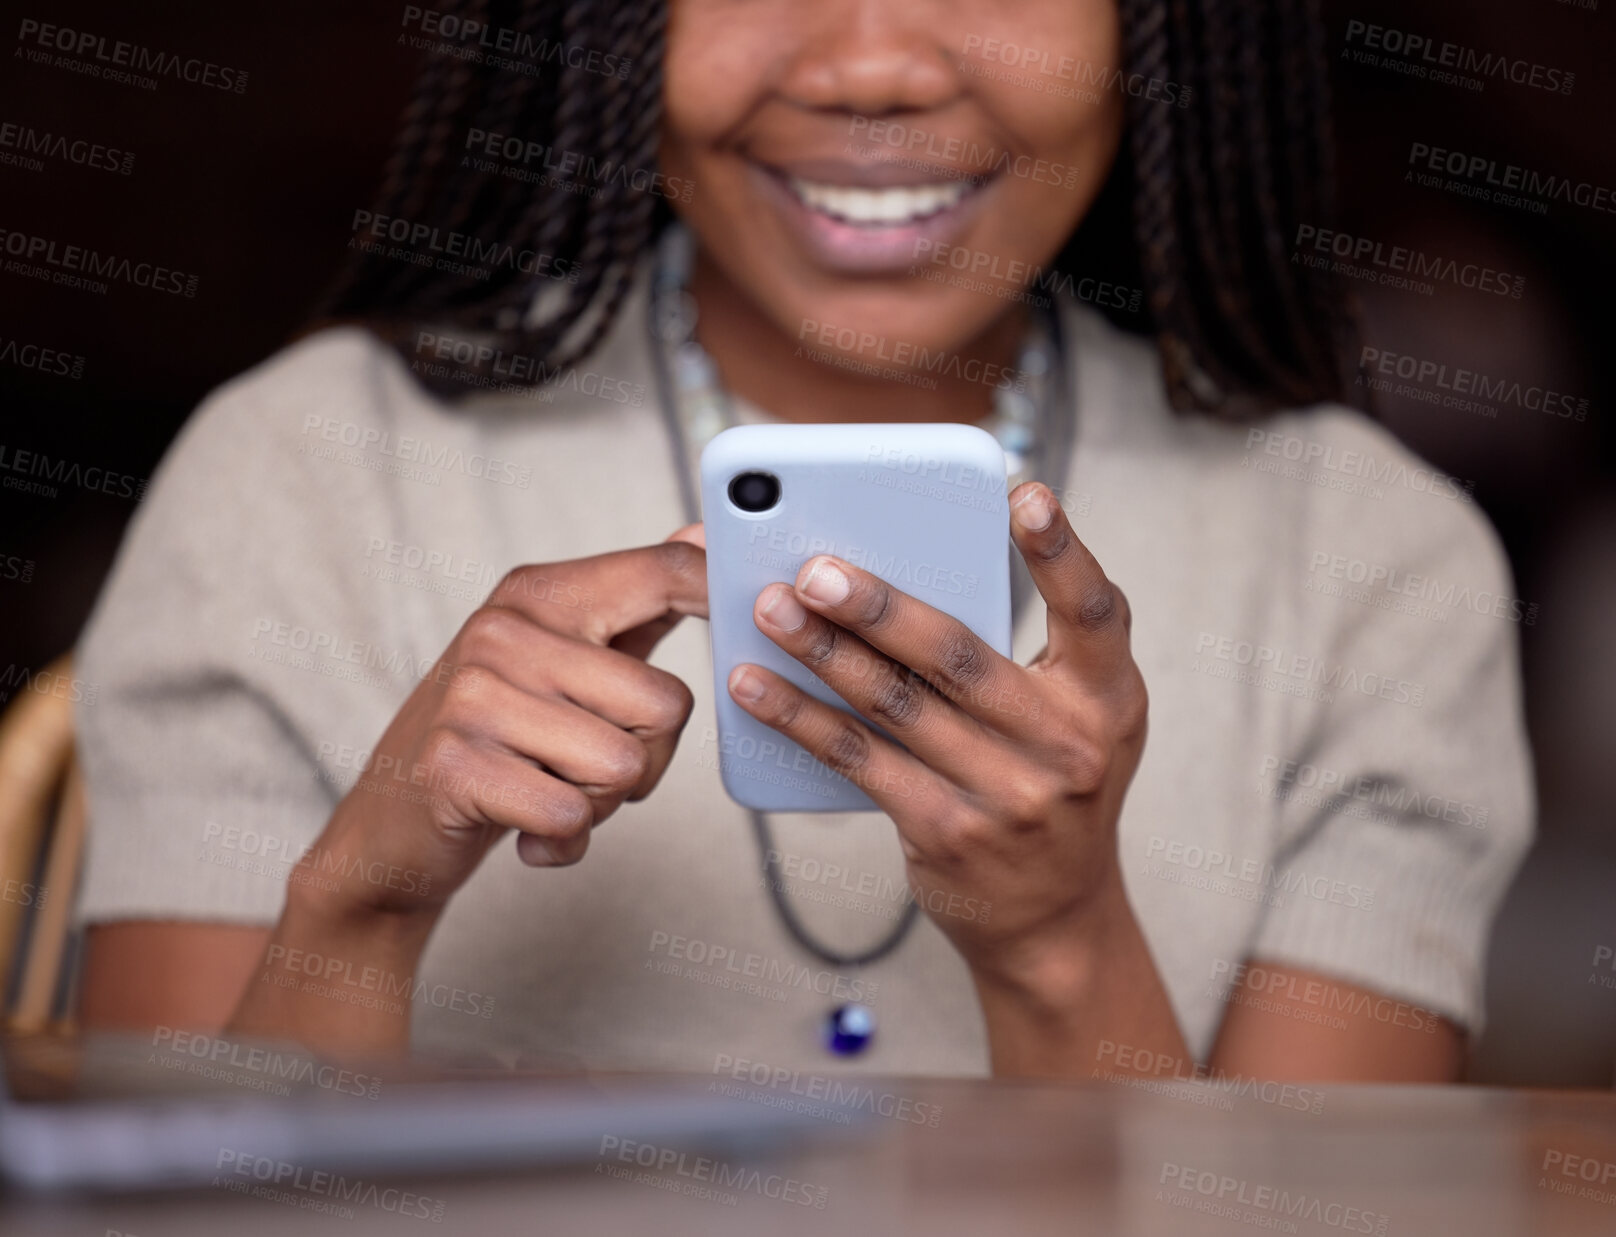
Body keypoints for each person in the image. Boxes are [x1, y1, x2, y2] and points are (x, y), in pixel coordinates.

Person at [74, 0, 1532, 1082]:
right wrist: (362, 899)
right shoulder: (301, 472)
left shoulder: (1374, 560)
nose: (872, 65)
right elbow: (169, 1206)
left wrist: (1056, 944)